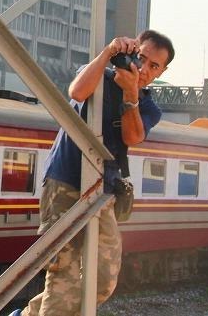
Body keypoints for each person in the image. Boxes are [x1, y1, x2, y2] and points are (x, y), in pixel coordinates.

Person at [11, 30, 174, 316]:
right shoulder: (101, 75)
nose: (145, 69)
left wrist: (131, 94)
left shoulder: (149, 106)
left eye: (154, 66)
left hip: (102, 190)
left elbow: (132, 136)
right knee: (64, 275)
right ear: (133, 51)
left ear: (163, 71)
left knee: (104, 279)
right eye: (142, 58)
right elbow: (76, 92)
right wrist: (109, 52)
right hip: (65, 181)